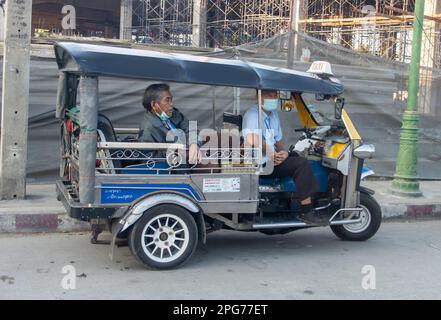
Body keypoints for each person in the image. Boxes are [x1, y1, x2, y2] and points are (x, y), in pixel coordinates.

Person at [242, 89, 321, 224]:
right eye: (268, 95)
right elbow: (251, 137)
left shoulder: (273, 114)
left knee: (296, 155)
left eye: (275, 95)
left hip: (272, 160)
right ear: (258, 96)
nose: (273, 98)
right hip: (261, 164)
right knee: (301, 164)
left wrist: (284, 152)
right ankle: (306, 211)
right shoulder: (253, 114)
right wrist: (271, 151)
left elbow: (278, 140)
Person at [139, 83, 200, 164]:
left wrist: (193, 144)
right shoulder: (148, 128)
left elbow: (190, 127)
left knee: (217, 138)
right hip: (175, 167)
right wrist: (177, 153)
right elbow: (147, 159)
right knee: (211, 163)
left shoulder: (174, 113)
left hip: (189, 154)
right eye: (167, 100)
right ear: (154, 104)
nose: (171, 104)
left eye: (171, 100)